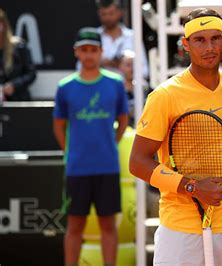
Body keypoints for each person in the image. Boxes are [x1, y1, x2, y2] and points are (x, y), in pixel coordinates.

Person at [129, 8, 222, 265]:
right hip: (180, 230)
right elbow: (138, 162)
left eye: (214, 38)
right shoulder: (165, 95)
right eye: (199, 40)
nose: (208, 47)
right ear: (186, 44)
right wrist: (194, 188)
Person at [53, 27, 129, 266]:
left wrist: (110, 144)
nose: (88, 55)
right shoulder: (65, 87)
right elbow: (58, 125)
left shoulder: (115, 83)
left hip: (107, 166)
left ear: (101, 52)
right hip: (77, 168)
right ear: (76, 52)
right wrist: (72, 152)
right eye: (84, 50)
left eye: (93, 50)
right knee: (75, 225)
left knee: (108, 224)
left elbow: (124, 119)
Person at [96, 0, 148, 77]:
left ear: (120, 13)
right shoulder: (94, 37)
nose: (107, 18)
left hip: (128, 87)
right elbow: (80, 68)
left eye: (111, 13)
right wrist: (98, 63)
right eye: (104, 14)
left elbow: (144, 71)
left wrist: (126, 65)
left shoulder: (132, 36)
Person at [0, 8, 36, 101]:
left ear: (3, 25)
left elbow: (31, 73)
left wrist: (14, 85)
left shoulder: (19, 46)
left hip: (18, 101)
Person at [117, 49, 151, 126]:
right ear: (120, 67)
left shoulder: (145, 88)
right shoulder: (117, 90)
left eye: (134, 64)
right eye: (128, 65)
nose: (132, 68)